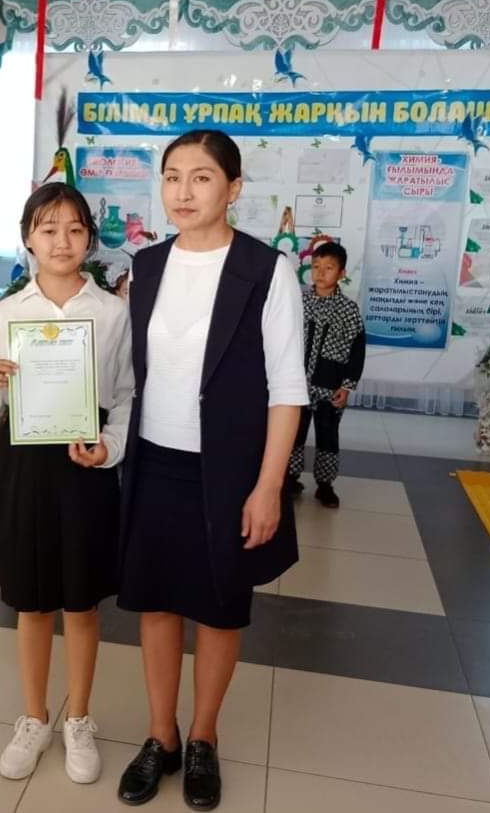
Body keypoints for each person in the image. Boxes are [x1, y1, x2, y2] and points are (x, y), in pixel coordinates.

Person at [116, 131, 308, 810]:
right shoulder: (146, 266)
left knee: (221, 606)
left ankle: (202, 736)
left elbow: (287, 387)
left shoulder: (266, 270)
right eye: (172, 176)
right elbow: (129, 372)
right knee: (158, 601)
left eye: (201, 177)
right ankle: (160, 735)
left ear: (234, 187)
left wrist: (268, 485)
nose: (183, 191)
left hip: (229, 470)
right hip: (154, 461)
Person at [0, 183, 133, 786]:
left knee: (82, 602)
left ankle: (79, 719)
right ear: (28, 238)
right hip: (26, 469)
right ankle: (35, 718)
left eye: (75, 229)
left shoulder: (112, 313)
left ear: (90, 238)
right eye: (48, 229)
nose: (62, 241)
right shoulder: (6, 314)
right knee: (32, 601)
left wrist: (110, 447)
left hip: (86, 467)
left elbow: (125, 396)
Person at [286, 242, 365, 509]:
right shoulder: (299, 302)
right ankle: (290, 478)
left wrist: (347, 386)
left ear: (341, 273)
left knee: (327, 435)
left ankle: (325, 484)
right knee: (293, 432)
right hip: (297, 384)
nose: (320, 273)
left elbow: (357, 351)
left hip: (329, 385)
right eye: (316, 266)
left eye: (329, 268)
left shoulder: (348, 310)